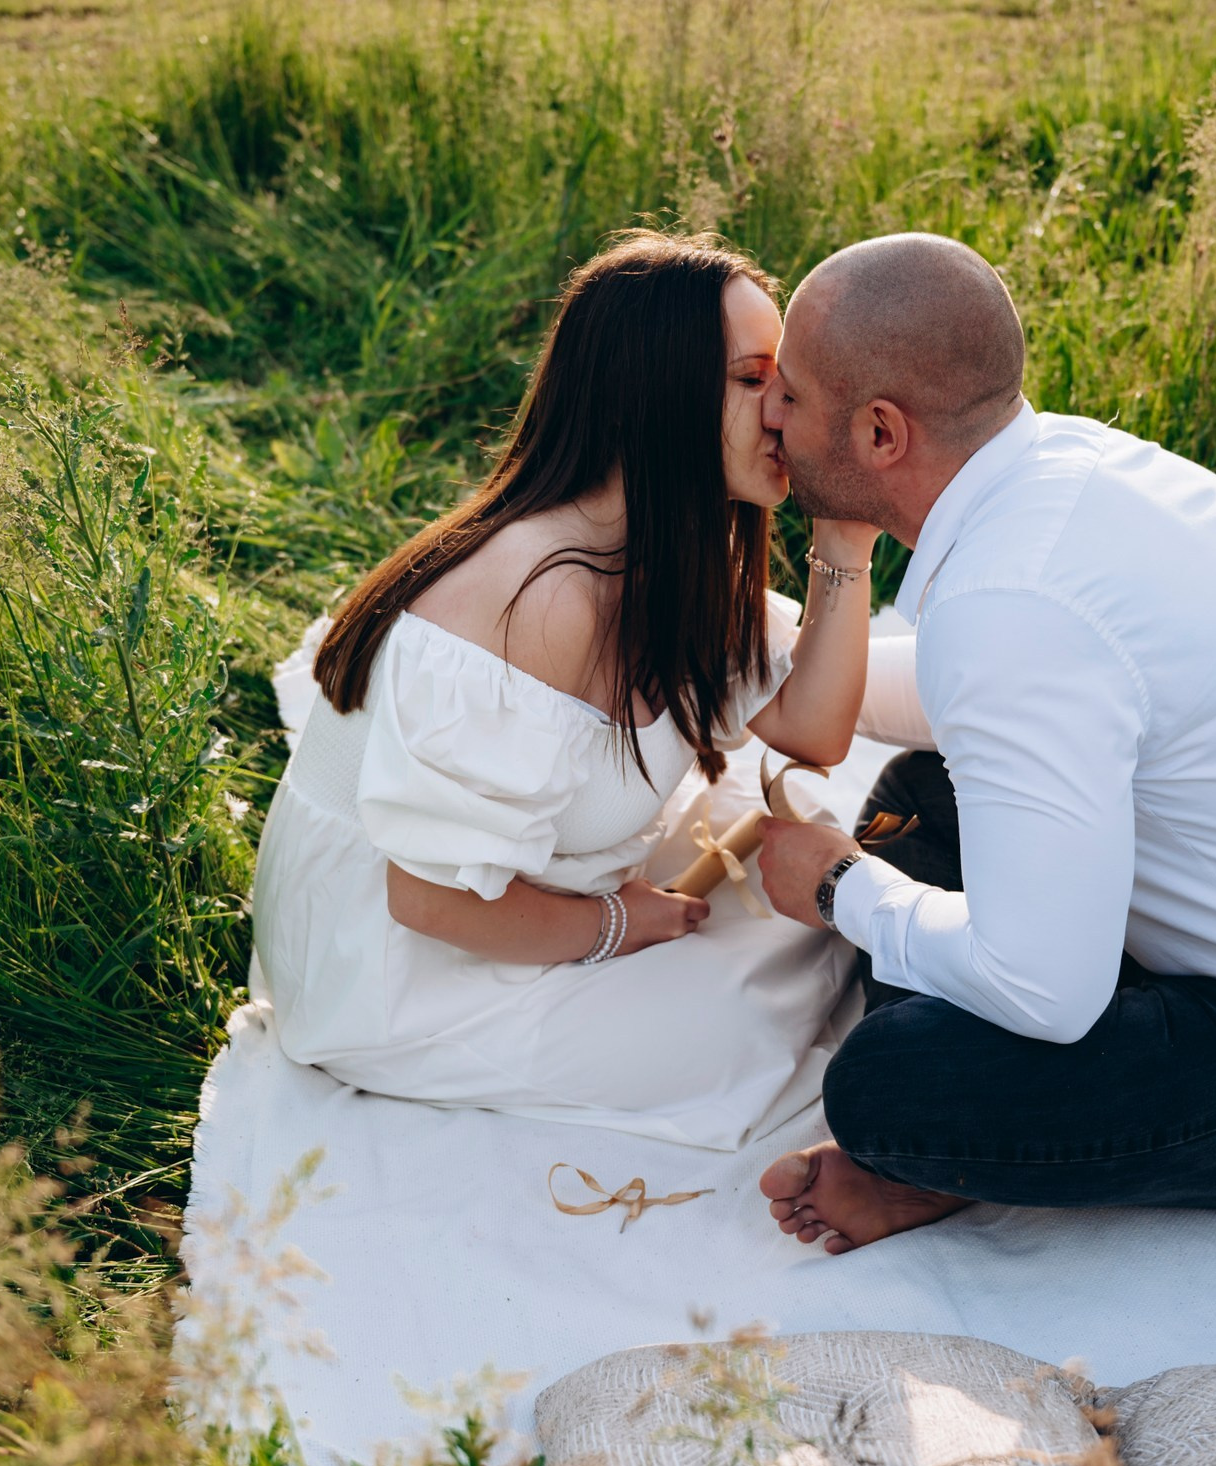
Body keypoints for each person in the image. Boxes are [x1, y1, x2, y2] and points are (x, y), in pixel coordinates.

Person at [753, 233, 1216, 1250]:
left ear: (880, 431)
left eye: (787, 391)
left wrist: (839, 886)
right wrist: (766, 666)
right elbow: (969, 694)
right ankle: (1017, 1130)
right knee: (931, 791)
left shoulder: (1013, 600)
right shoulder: (1086, 468)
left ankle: (941, 1164)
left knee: (885, 1083)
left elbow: (1041, 993)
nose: (768, 413)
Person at [248, 231, 877, 1150]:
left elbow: (816, 729)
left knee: (815, 904)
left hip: (531, 887)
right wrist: (621, 922)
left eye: (784, 380)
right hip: (409, 964)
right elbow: (428, 903)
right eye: (752, 380)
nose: (785, 408)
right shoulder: (540, 599)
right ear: (652, 398)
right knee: (748, 1015)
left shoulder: (678, 550)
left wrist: (845, 539)